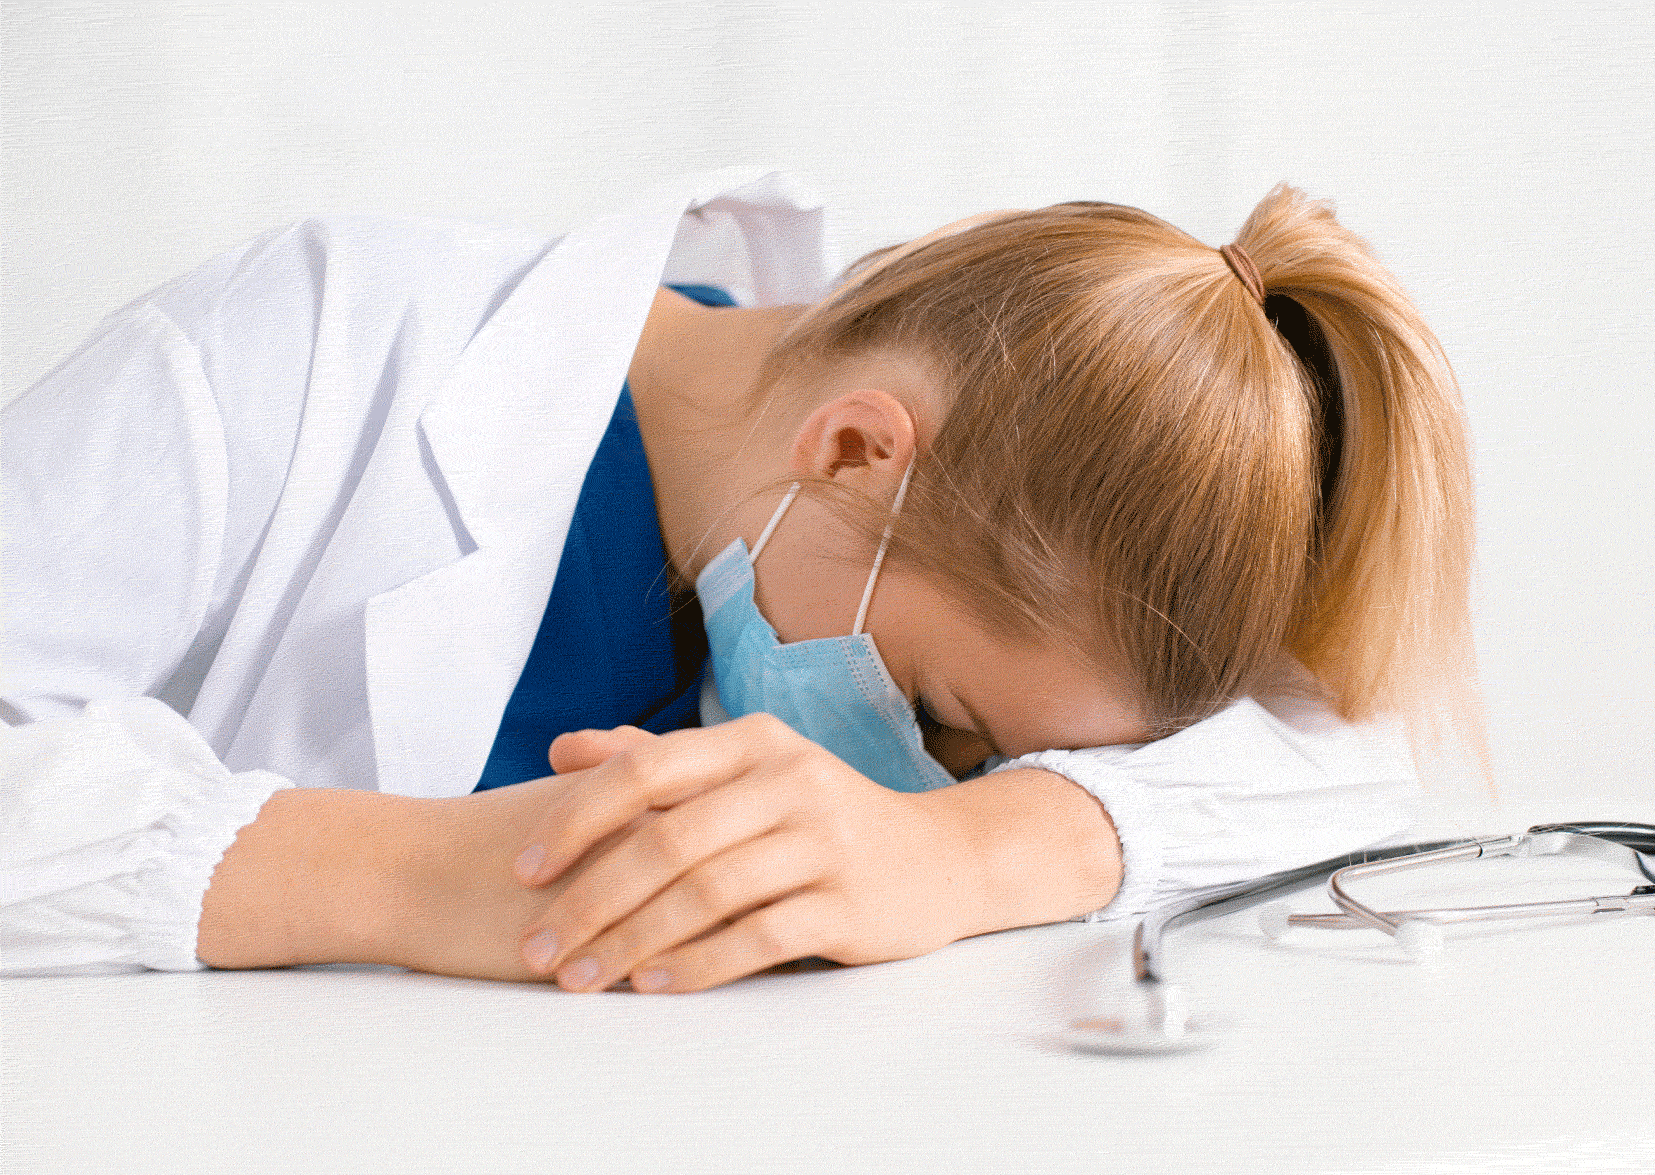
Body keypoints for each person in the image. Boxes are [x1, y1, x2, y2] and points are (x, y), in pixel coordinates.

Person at [1, 168, 1470, 994]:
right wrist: (410, 878)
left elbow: (1356, 748)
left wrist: (964, 852)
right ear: (851, 450)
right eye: (943, 714)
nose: (914, 770)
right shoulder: (311, 345)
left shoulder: (898, 498)